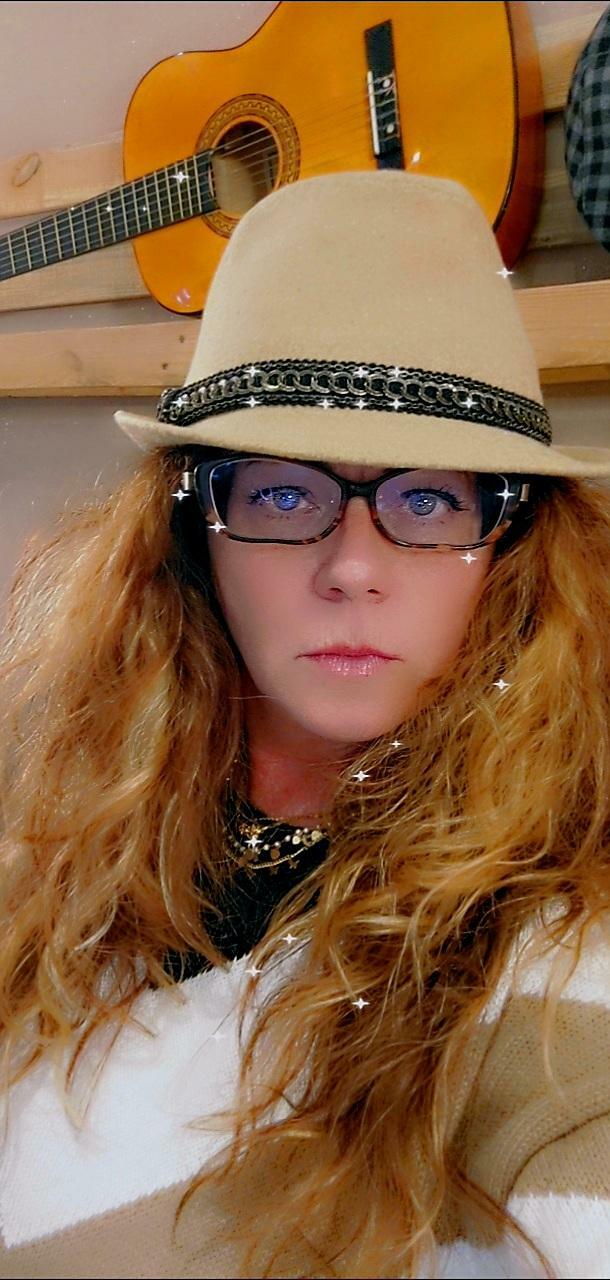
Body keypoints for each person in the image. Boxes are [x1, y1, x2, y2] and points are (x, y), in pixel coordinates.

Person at [0, 171, 609, 1280]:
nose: (352, 567)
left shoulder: (559, 945)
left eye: (428, 499)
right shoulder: (57, 853)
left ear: (512, 546)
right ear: (194, 533)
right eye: (284, 494)